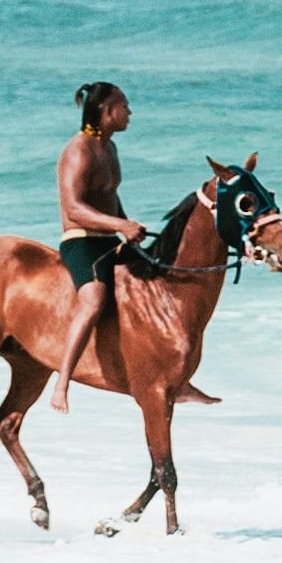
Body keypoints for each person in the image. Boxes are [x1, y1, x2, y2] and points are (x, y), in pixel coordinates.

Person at [51, 81, 160, 410]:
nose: (130, 112)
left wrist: (128, 228)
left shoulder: (109, 148)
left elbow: (108, 197)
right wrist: (120, 225)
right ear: (106, 111)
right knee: (94, 300)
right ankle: (62, 383)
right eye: (124, 105)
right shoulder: (79, 149)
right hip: (82, 242)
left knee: (156, 277)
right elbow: (74, 208)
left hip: (110, 239)